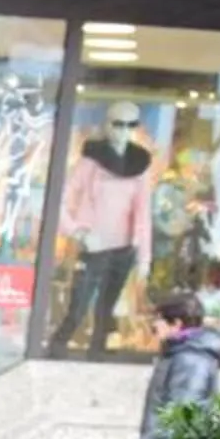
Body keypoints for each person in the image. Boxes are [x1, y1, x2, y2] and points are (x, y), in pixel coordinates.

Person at [49, 101, 155, 356]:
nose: (124, 131)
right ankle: (54, 350)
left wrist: (144, 257)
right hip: (92, 246)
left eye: (131, 125)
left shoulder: (139, 165)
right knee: (77, 307)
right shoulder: (90, 163)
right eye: (118, 124)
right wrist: (77, 231)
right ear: (107, 125)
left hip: (124, 249)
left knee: (105, 312)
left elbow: (143, 213)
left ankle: (96, 356)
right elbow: (58, 200)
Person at [111, 294, 220, 439]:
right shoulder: (177, 355)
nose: (154, 325)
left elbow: (179, 417)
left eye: (159, 319)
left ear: (177, 324)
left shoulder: (191, 360)